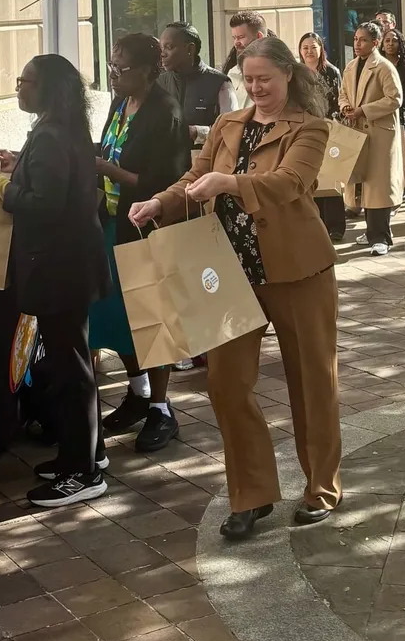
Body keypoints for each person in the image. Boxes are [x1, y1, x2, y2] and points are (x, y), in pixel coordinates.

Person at [129, 36, 341, 539]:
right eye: (248, 80)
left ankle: (321, 488)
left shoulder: (310, 128)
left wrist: (229, 184)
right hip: (227, 270)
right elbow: (195, 176)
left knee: (311, 382)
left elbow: (289, 184)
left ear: (289, 74)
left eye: (265, 78)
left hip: (298, 271)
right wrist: (160, 202)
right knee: (225, 385)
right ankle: (251, 494)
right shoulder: (228, 125)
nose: (256, 88)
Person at [0, 56, 111, 507]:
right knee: (71, 363)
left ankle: (83, 472)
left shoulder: (52, 132)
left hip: (60, 267)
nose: (17, 88)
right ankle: (84, 453)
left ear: (45, 88)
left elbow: (43, 204)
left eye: (23, 81)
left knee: (71, 370)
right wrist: (18, 162)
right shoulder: (58, 127)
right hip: (70, 264)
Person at [91, 32, 190, 452]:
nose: (114, 74)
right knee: (119, 315)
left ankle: (162, 408)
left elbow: (162, 183)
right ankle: (137, 391)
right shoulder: (119, 104)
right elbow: (109, 149)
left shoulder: (164, 112)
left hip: (145, 227)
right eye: (111, 65)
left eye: (122, 68)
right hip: (112, 224)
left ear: (151, 70)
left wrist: (106, 170)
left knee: (151, 317)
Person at [340, 21, 403, 255]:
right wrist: (346, 106)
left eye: (363, 39)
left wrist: (364, 110)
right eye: (356, 39)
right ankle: (371, 230)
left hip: (379, 134)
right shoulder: (350, 66)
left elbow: (395, 99)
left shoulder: (385, 67)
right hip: (358, 131)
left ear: (375, 42)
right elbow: (343, 93)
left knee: (378, 186)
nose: (357, 43)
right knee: (362, 185)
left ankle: (382, 237)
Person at [299, 31, 345, 242]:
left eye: (313, 47)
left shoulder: (331, 72)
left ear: (321, 49)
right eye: (305, 47)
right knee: (311, 178)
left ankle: (335, 226)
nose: (309, 51)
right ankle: (316, 223)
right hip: (304, 131)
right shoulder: (296, 73)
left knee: (331, 177)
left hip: (328, 129)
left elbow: (338, 101)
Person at [158, 23, 234, 148]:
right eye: (161, 48)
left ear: (190, 49)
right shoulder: (158, 83)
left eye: (169, 47)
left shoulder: (220, 83)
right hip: (166, 163)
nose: (163, 54)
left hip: (205, 162)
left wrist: (198, 132)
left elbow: (232, 130)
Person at [379, 27, 405, 204]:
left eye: (394, 40)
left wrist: (399, 106)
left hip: (400, 113)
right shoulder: (377, 63)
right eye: (387, 40)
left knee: (404, 152)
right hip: (380, 115)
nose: (390, 44)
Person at [222, 11, 268, 106]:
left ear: (259, 36)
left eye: (240, 37)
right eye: (234, 38)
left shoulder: (278, 71)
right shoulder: (232, 72)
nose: (236, 43)